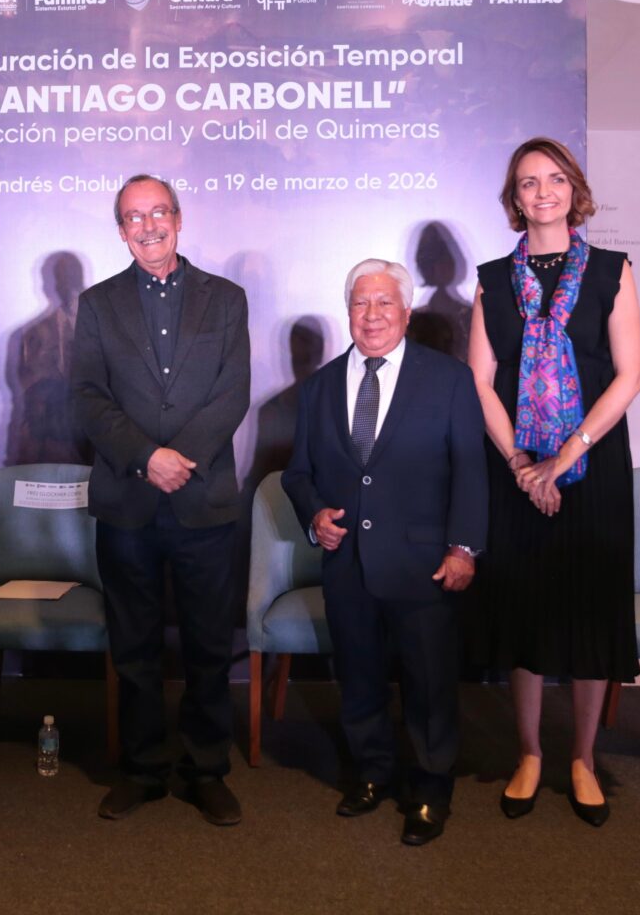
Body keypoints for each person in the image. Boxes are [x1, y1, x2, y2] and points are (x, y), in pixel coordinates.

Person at [467, 137, 640, 826]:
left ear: (574, 188)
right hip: (516, 468)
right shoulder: (491, 279)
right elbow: (481, 383)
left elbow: (629, 375)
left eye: (554, 179)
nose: (543, 192)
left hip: (592, 466)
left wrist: (563, 459)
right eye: (528, 183)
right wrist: (521, 463)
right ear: (514, 199)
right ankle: (531, 753)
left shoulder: (611, 270)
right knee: (525, 609)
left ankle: (584, 759)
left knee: (592, 609)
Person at [282, 259, 487, 846]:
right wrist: (315, 514)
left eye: (384, 303)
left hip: (425, 564)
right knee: (359, 677)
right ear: (347, 311)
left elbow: (471, 471)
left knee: (429, 684)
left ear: (407, 311)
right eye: (360, 303)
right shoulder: (319, 387)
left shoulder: (449, 380)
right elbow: (298, 474)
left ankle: (430, 789)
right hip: (347, 563)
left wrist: (464, 548)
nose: (371, 315)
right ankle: (372, 773)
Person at [71, 174, 250, 825]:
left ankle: (206, 771)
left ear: (179, 218)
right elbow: (88, 397)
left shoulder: (225, 299)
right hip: (128, 501)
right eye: (134, 217)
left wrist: (181, 460)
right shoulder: (97, 305)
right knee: (135, 648)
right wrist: (148, 457)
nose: (148, 226)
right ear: (121, 231)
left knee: (208, 646)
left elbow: (232, 391)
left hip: (204, 499)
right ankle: (143, 770)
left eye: (158, 213)